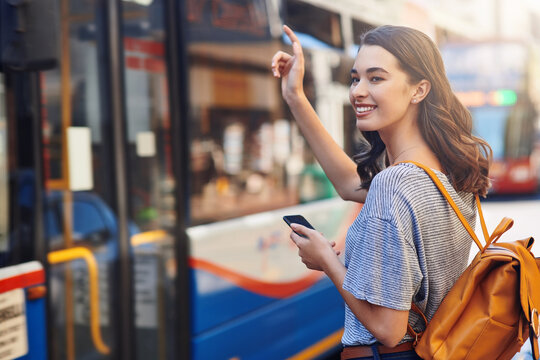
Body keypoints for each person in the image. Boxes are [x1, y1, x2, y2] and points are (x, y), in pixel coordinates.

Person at [271, 25, 492, 360]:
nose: (358, 90)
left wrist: (328, 261)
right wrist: (295, 96)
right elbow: (348, 185)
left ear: (419, 90)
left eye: (376, 78)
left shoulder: (395, 184)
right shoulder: (447, 173)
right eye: (355, 78)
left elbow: (388, 328)